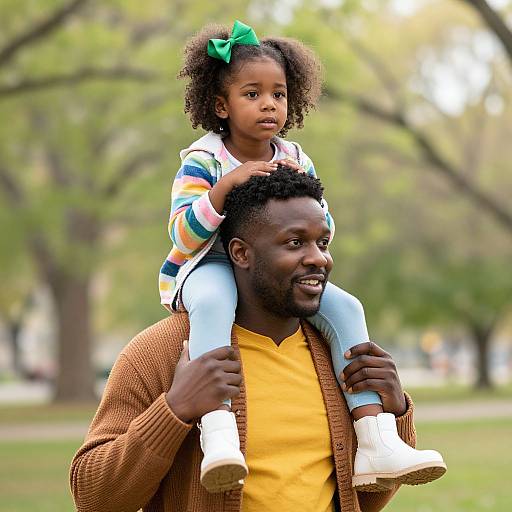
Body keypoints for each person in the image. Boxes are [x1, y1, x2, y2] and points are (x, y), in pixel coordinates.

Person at [157, 20, 446, 493]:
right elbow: (182, 235)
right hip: (208, 264)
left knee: (348, 307)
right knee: (213, 303)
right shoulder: (204, 159)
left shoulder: (296, 156)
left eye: (279, 94)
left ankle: (375, 437)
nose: (269, 103)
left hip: (277, 271)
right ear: (220, 105)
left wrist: (301, 200)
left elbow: (323, 226)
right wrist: (228, 187)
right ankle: (219, 432)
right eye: (252, 94)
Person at [71, 168, 434, 512]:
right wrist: (176, 408)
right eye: (295, 243)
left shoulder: (338, 354)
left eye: (322, 242)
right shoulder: (160, 352)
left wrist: (395, 411)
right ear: (241, 254)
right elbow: (94, 498)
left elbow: (364, 500)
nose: (318, 259)